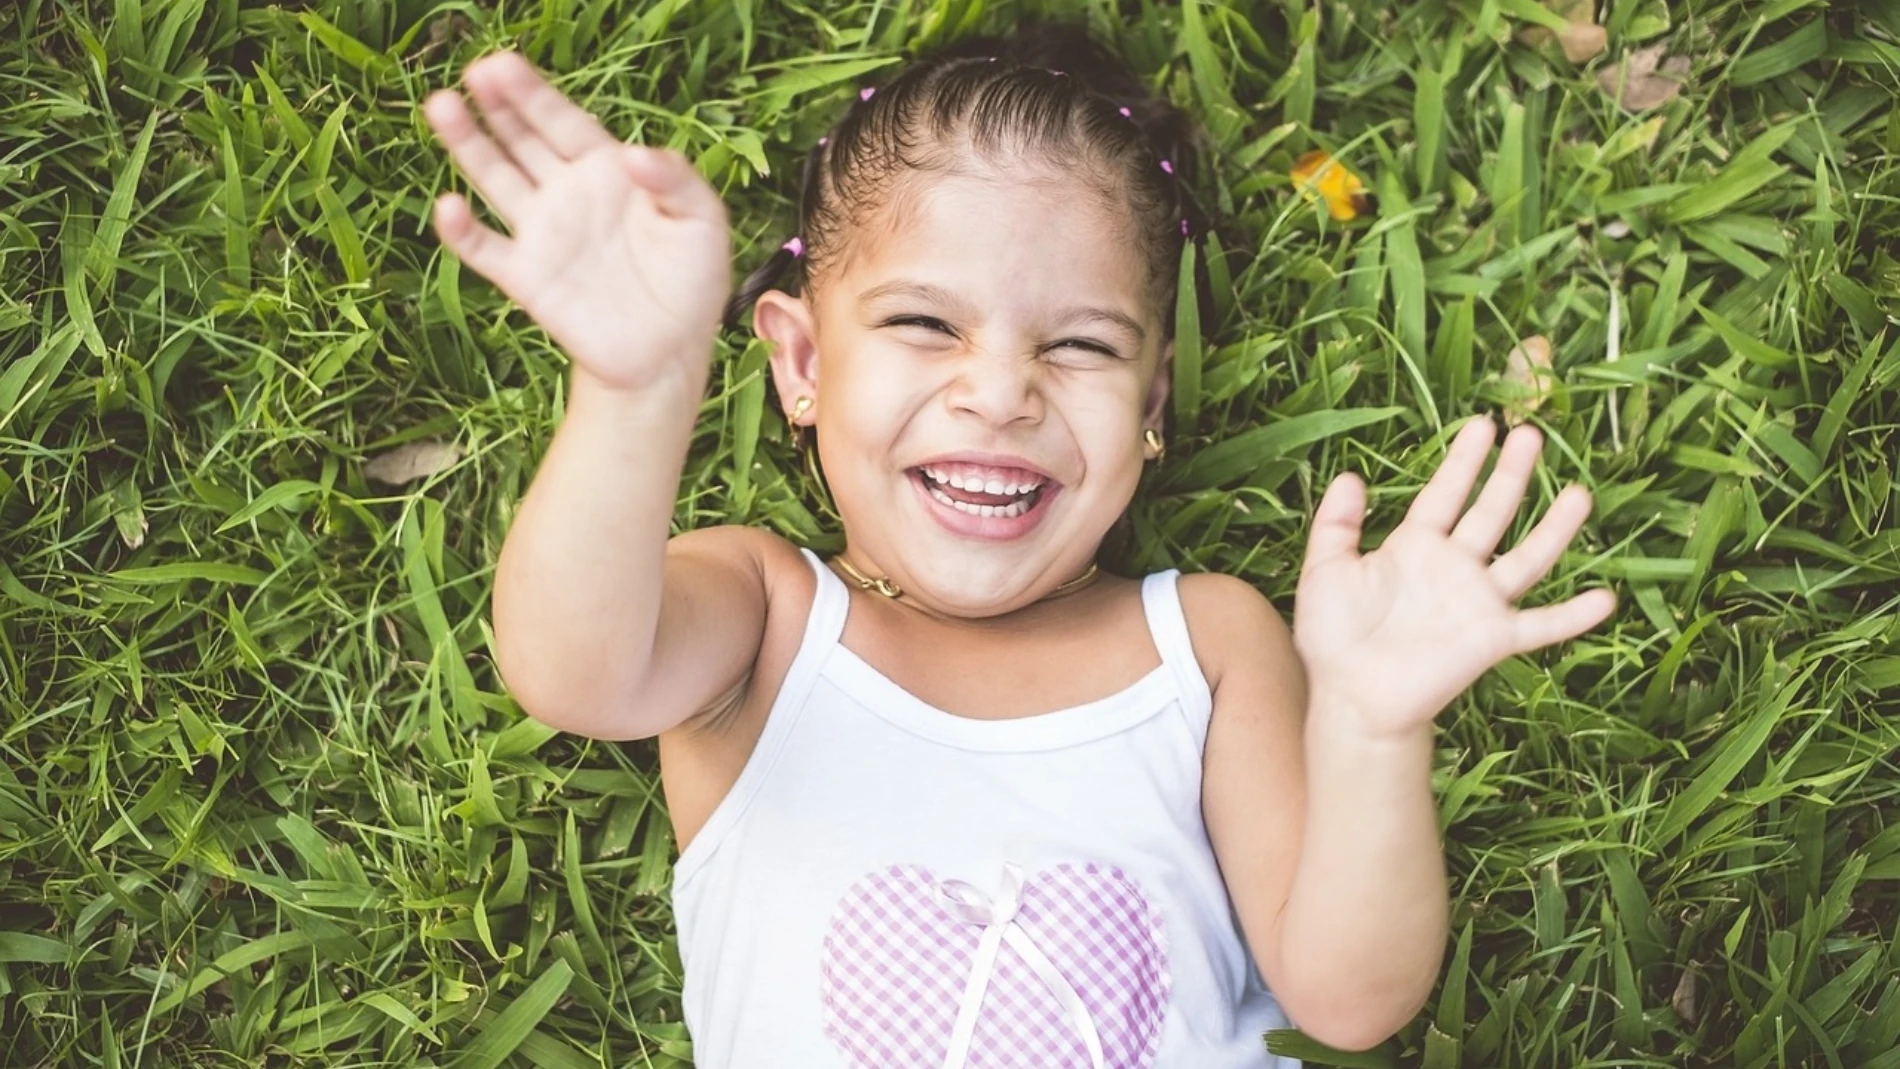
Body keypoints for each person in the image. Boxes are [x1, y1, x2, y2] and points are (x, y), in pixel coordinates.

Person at [421, 20, 1617, 1069]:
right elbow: (574, 671)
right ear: (800, 362)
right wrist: (636, 389)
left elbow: (1349, 1001)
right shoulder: (765, 617)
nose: (999, 392)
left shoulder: (1202, 642)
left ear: (1149, 407)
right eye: (924, 323)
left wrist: (1369, 728)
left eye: (1082, 347)